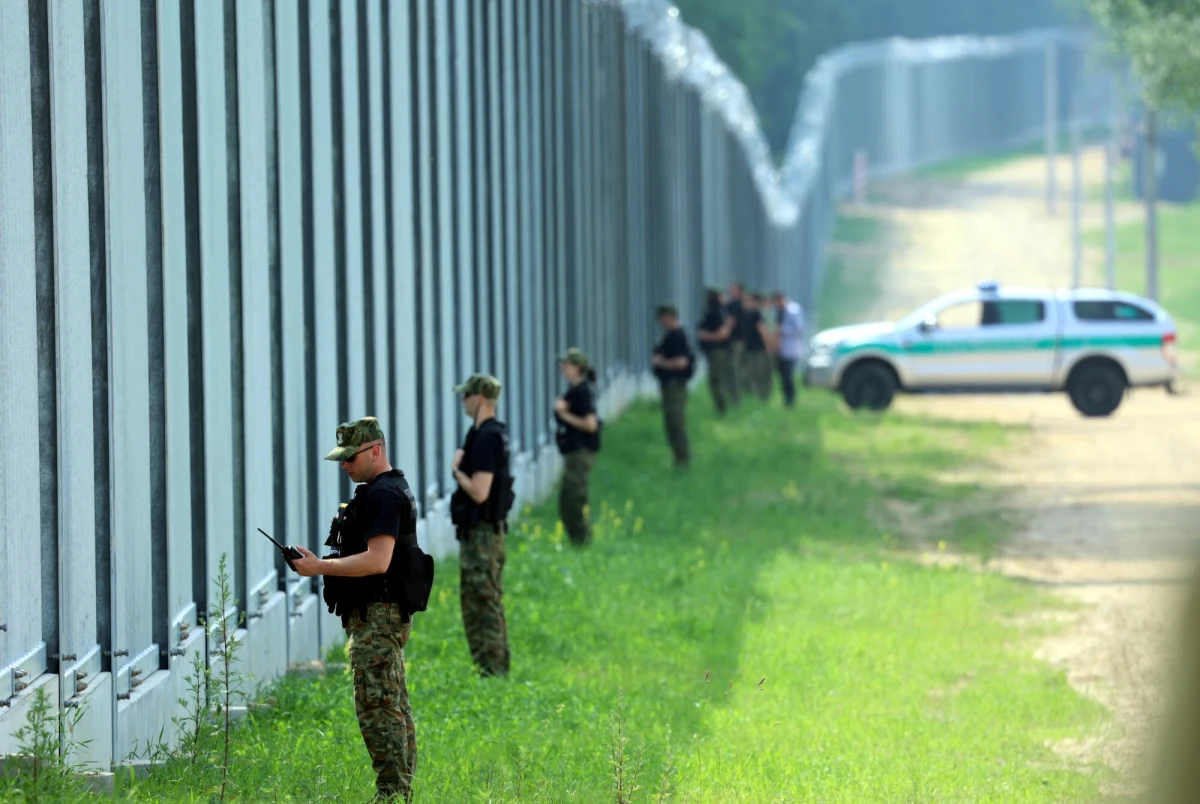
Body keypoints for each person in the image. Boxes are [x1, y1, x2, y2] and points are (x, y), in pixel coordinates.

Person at [293, 416, 420, 802]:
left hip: (377, 616)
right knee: (391, 702)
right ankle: (398, 792)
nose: (345, 466)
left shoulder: (383, 496)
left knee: (377, 707)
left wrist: (320, 567)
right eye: (341, 459)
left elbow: (378, 560)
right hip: (380, 614)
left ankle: (391, 794)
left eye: (351, 458)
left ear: (375, 451)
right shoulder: (386, 489)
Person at [449, 374, 514, 677]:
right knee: (475, 602)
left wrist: (456, 470)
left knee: (485, 603)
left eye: (466, 396)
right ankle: (487, 669)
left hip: (483, 536)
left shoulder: (487, 437)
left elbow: (479, 491)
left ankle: (495, 671)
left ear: (479, 398)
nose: (463, 401)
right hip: (478, 534)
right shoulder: (480, 434)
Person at [553, 348, 601, 546]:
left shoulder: (582, 391)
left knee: (574, 498)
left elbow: (590, 424)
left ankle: (582, 540)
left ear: (577, 368)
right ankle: (577, 540)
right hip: (573, 451)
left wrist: (564, 415)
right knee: (567, 498)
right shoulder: (574, 390)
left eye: (567, 365)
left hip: (580, 452)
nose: (563, 369)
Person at [651, 304, 695, 468]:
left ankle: (683, 458)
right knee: (670, 422)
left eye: (662, 318)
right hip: (668, 384)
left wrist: (662, 363)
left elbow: (682, 362)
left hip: (675, 384)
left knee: (676, 421)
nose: (661, 322)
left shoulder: (678, 336)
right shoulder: (668, 335)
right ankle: (678, 457)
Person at [696, 288, 736, 415]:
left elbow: (723, 334)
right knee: (717, 379)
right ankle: (722, 407)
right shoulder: (718, 312)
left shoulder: (716, 313)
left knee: (716, 380)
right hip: (715, 351)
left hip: (717, 351)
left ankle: (722, 408)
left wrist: (705, 336)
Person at [771, 290, 806, 408]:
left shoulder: (793, 310)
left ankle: (791, 398)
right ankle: (786, 398)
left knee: (788, 375)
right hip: (781, 349)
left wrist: (782, 330)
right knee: (782, 375)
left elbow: (799, 329)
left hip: (791, 349)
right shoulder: (779, 311)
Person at [742, 292, 773, 400]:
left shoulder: (754, 313)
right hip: (754, 347)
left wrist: (768, 344)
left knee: (755, 372)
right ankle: (758, 394)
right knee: (756, 372)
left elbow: (762, 330)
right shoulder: (753, 313)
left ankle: (758, 394)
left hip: (755, 348)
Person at [726, 282, 746, 407]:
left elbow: (731, 321)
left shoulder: (736, 304)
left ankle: (736, 398)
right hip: (737, 341)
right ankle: (735, 397)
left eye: (733, 289)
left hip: (735, 342)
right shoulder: (739, 304)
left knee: (734, 370)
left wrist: (722, 332)